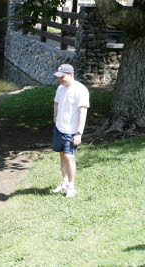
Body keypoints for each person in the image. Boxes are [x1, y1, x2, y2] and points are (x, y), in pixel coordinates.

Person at [52, 64, 90, 198]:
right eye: (58, 77)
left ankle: (71, 187)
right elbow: (56, 102)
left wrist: (78, 133)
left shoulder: (81, 90)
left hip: (71, 130)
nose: (60, 79)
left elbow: (82, 113)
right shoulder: (60, 88)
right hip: (59, 128)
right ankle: (64, 182)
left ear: (71, 75)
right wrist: (55, 117)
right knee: (62, 155)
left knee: (69, 157)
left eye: (62, 77)